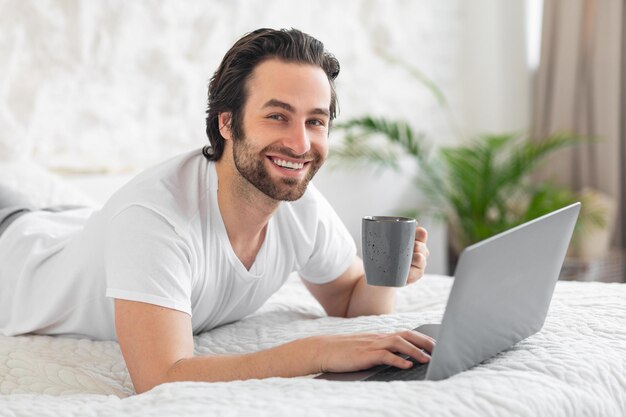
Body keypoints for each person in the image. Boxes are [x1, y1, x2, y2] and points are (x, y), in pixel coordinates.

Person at [0, 28, 432, 393]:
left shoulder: (299, 206)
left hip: (65, 220)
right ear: (227, 123)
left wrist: (386, 275)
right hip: (13, 250)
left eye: (315, 121)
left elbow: (349, 299)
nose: (301, 145)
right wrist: (316, 352)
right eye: (278, 116)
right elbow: (161, 377)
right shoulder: (155, 217)